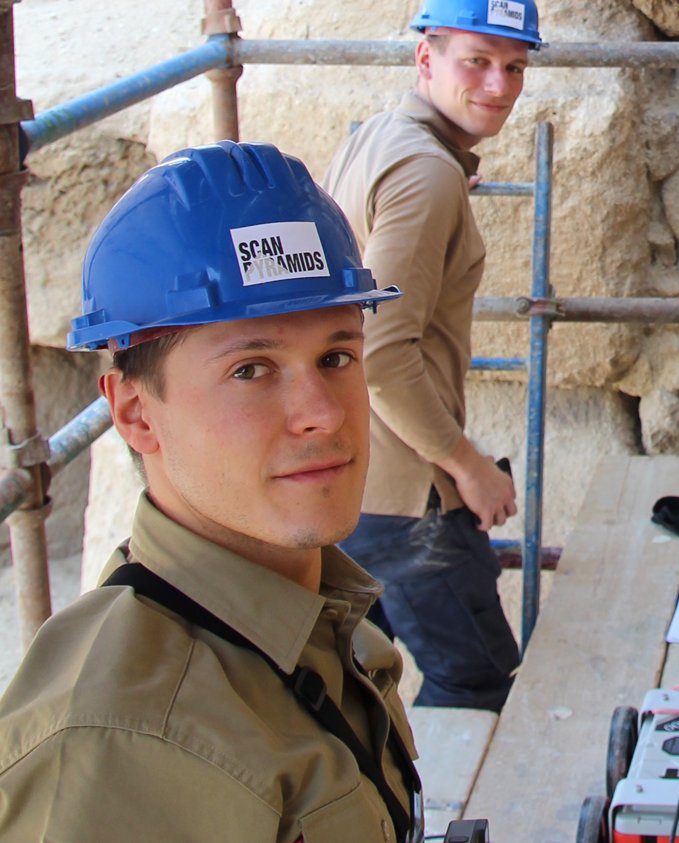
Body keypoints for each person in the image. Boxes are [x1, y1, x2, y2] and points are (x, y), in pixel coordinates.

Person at [0, 141, 421, 842]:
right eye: (252, 369)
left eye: (337, 355)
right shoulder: (126, 744)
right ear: (136, 413)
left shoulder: (319, 617)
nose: (322, 409)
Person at [324, 0, 542, 713]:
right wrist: (468, 465)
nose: (499, 86)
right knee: (474, 678)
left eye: (513, 66)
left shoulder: (381, 139)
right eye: (475, 62)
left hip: (358, 481)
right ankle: (447, 822)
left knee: (351, 681)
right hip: (407, 496)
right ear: (426, 58)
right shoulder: (427, 174)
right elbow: (382, 353)